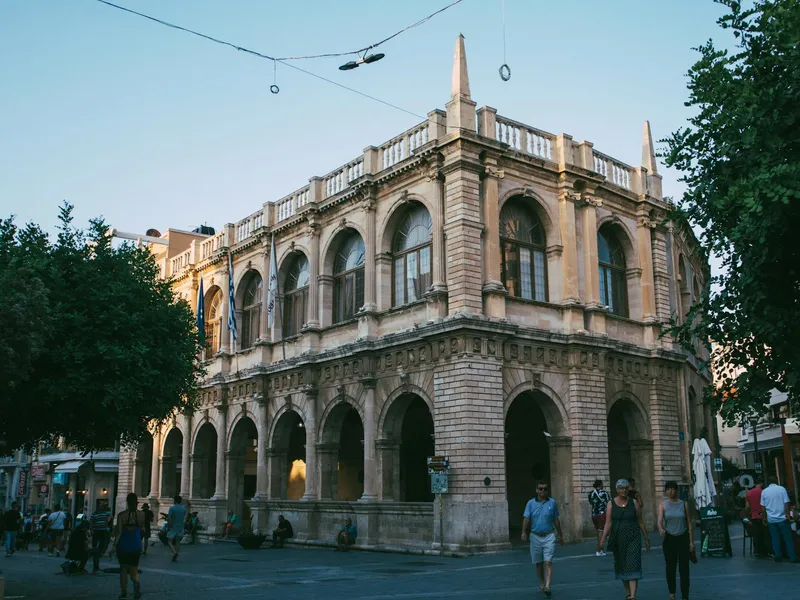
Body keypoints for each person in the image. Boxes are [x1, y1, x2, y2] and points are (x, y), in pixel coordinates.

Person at [599, 479, 651, 600]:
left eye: (626, 488)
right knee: (621, 564)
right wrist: (602, 539)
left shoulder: (634, 502)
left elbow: (640, 521)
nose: (624, 490)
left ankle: (633, 596)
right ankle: (628, 593)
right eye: (621, 488)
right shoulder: (611, 504)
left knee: (633, 564)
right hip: (618, 538)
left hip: (633, 537)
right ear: (617, 490)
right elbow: (608, 523)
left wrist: (646, 538)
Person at [521, 481, 564, 598]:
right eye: (540, 489)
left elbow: (556, 519)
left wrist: (560, 535)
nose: (542, 491)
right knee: (538, 563)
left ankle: (547, 586)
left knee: (548, 562)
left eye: (545, 489)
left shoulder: (552, 502)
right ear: (536, 490)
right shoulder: (530, 503)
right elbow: (526, 518)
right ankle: (542, 583)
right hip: (535, 536)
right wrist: (523, 532)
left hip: (549, 535)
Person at [658, 481, 694, 600]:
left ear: (676, 490)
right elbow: (659, 521)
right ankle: (672, 593)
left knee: (684, 568)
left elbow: (689, 523)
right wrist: (660, 528)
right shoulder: (663, 505)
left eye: (673, 489)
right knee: (670, 568)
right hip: (669, 538)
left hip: (683, 537)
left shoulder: (684, 504)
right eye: (668, 489)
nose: (670, 491)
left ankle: (685, 595)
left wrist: (691, 541)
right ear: (666, 491)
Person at [112, 492, 144, 600]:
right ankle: (136, 583)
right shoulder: (141, 515)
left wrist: (114, 546)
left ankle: (124, 592)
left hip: (124, 544)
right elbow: (141, 529)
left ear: (127, 502)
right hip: (136, 544)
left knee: (123, 569)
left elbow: (119, 532)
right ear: (137, 502)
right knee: (134, 568)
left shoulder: (122, 515)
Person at [760, 476, 798, 563]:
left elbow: (763, 506)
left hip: (771, 519)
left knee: (775, 538)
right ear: (776, 481)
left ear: (768, 482)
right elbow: (786, 503)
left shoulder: (764, 492)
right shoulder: (782, 489)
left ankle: (778, 556)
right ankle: (792, 557)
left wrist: (764, 517)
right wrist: (787, 514)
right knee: (788, 539)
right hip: (782, 518)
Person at [745, 478, 770, 558]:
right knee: (765, 534)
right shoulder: (764, 492)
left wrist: (750, 513)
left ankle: (757, 551)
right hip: (763, 515)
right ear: (761, 483)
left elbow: (747, 507)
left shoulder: (749, 493)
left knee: (756, 535)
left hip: (754, 516)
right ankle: (765, 551)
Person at [588, 479, 612, 556]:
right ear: (601, 485)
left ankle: (601, 548)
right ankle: (599, 549)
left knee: (599, 531)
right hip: (602, 514)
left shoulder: (591, 493)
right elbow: (609, 502)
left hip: (594, 514)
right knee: (601, 531)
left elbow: (590, 502)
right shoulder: (604, 493)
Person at [91, 502, 113, 573]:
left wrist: (106, 526)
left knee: (102, 544)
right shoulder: (94, 514)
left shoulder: (104, 514)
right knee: (95, 545)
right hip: (96, 531)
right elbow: (91, 522)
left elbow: (107, 519)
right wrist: (91, 529)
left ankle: (98, 553)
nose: (101, 508)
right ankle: (96, 553)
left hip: (103, 531)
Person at [167, 495, 186, 563]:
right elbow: (184, 517)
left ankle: (174, 552)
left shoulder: (172, 508)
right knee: (178, 541)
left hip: (173, 526)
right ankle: (175, 555)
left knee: (169, 541)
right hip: (180, 526)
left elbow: (169, 518)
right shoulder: (183, 508)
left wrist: (169, 526)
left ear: (174, 500)